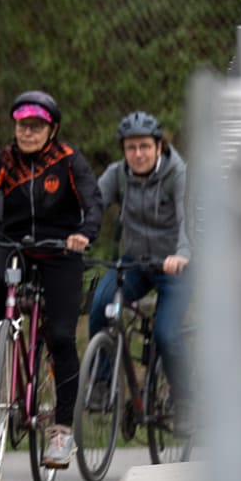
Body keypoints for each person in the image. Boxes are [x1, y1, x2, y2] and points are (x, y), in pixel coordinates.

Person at [0, 90, 100, 470]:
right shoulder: (4, 160)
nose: (27, 133)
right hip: (16, 245)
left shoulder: (67, 160)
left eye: (36, 127)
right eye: (22, 126)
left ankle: (62, 431)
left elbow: (93, 202)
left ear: (52, 129)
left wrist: (84, 233)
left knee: (60, 336)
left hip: (60, 250)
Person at [86, 110, 190, 406]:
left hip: (175, 267)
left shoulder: (179, 174)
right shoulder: (117, 174)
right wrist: (80, 236)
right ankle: (102, 383)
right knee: (101, 304)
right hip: (135, 263)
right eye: (131, 147)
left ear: (159, 146)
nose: (138, 154)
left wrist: (183, 255)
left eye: (145, 146)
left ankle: (185, 397)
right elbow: (92, 208)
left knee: (166, 334)